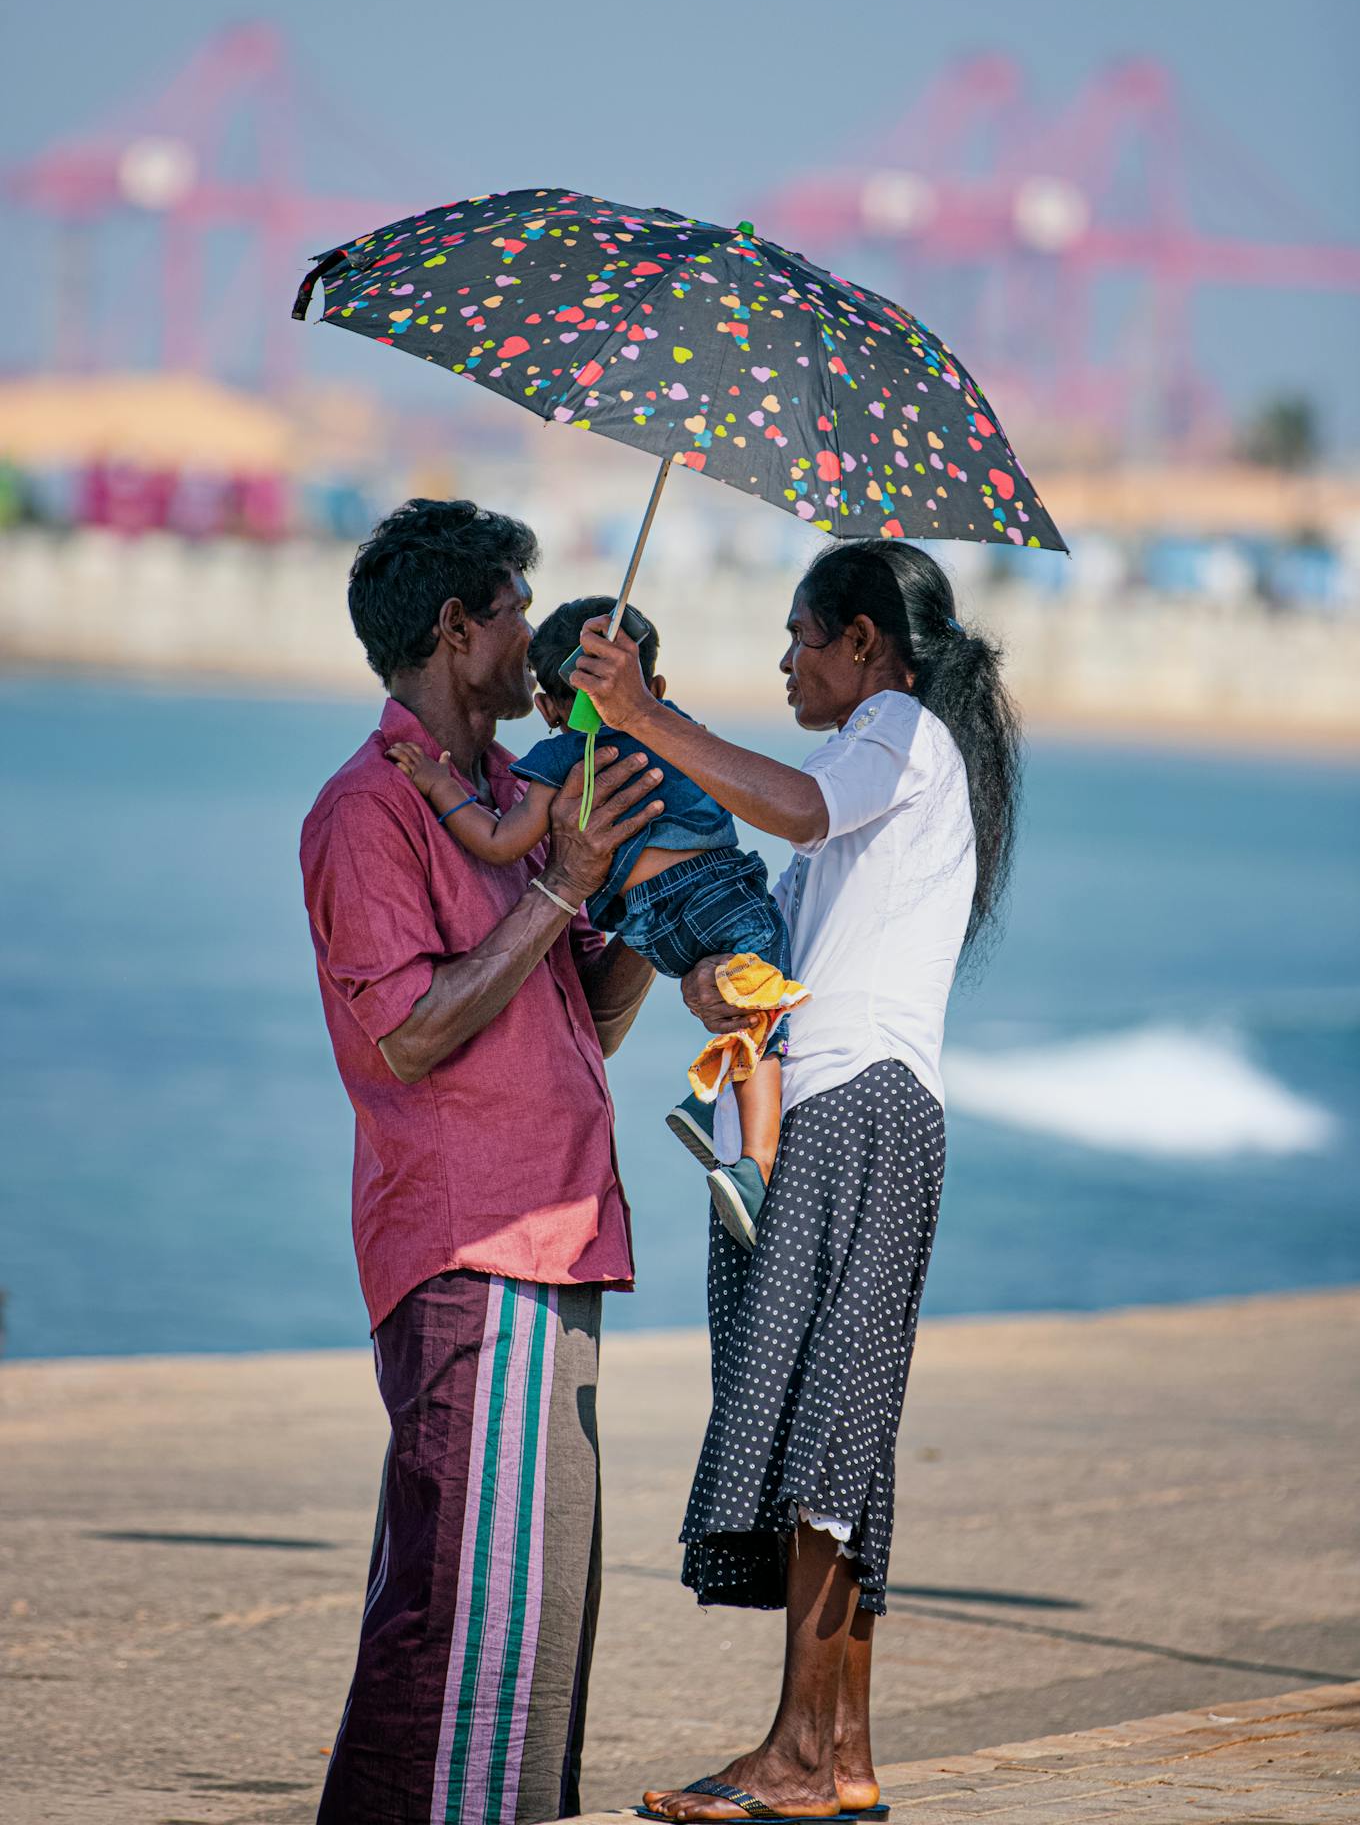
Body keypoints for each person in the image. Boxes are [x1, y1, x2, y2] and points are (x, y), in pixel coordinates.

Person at [567, 537, 1021, 1824]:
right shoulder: (878, 760)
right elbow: (785, 910)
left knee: (827, 1426)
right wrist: (712, 978)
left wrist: (646, 710)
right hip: (837, 1111)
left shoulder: (898, 732)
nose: (786, 660)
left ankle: (794, 1757)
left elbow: (798, 806)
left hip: (859, 1112)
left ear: (864, 643)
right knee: (842, 1430)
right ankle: (842, 1753)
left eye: (800, 635)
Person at [299, 500, 662, 1825]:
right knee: (460, 1618)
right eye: (514, 609)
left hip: (551, 1233)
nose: (532, 637)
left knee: (534, 1621)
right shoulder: (366, 813)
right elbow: (407, 1037)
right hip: (472, 1250)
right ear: (457, 633)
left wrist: (624, 896)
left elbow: (587, 1023)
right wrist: (559, 890)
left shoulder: (518, 798)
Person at [385, 595, 807, 1249]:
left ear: (550, 707)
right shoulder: (670, 725)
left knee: (733, 998)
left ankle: (718, 1103)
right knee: (764, 1000)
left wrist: (439, 788)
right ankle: (755, 1162)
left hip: (644, 928)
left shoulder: (560, 762)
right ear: (654, 687)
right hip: (716, 893)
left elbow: (499, 842)